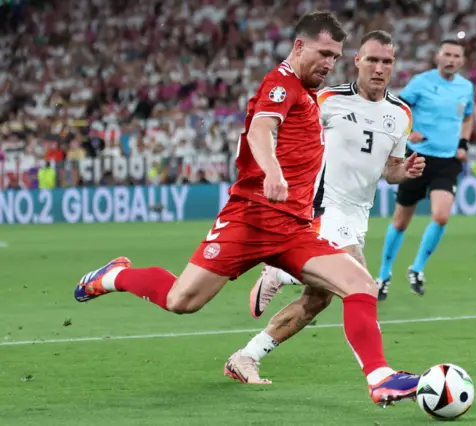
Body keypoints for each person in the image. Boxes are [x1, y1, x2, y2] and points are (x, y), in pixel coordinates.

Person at [73, 11, 420, 407]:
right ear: (299, 46)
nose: (329, 63)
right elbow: (260, 130)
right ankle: (114, 276)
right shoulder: (281, 83)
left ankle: (381, 379)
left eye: (335, 57)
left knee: (360, 285)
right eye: (324, 53)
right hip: (250, 220)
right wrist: (272, 172)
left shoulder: (311, 93)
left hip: (294, 228)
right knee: (180, 301)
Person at [224, 30, 425, 385]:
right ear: (357, 61)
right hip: (323, 207)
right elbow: (289, 136)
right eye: (373, 60)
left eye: (387, 61)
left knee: (318, 300)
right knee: (360, 282)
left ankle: (246, 356)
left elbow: (390, 171)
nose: (379, 68)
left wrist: (404, 171)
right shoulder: (327, 99)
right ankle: (380, 376)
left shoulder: (400, 114)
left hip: (357, 214)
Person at [376, 39, 474, 300]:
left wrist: (463, 143)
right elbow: (397, 109)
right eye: (447, 55)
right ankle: (384, 275)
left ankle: (416, 268)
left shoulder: (466, 88)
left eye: (456, 56)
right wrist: (409, 133)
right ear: (437, 57)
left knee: (441, 216)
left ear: (462, 61)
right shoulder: (421, 82)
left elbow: (467, 117)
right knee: (400, 221)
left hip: (447, 161)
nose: (451, 60)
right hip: (417, 158)